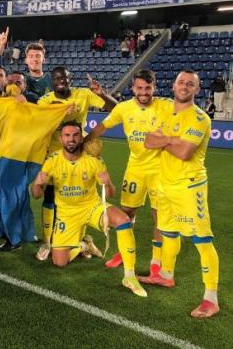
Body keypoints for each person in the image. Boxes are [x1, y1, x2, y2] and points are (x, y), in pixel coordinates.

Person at [31, 121, 147, 297]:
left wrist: (108, 183)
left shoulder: (94, 161)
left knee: (123, 221)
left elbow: (110, 193)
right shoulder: (52, 161)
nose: (71, 139)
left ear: (81, 138)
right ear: (61, 138)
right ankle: (83, 245)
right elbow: (37, 195)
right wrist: (38, 184)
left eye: (76, 135)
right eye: (67, 135)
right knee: (59, 262)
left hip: (92, 207)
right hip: (67, 213)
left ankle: (129, 276)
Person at [141, 71, 220, 318]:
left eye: (190, 84)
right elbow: (147, 141)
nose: (185, 86)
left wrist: (165, 140)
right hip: (165, 184)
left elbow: (185, 152)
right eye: (181, 82)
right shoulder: (164, 111)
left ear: (197, 89)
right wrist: (171, 140)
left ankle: (211, 298)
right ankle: (166, 275)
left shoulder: (200, 118)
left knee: (202, 240)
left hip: (189, 186)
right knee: (169, 232)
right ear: (174, 85)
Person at [86, 69, 173, 275]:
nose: (144, 92)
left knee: (159, 216)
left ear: (155, 87)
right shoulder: (124, 108)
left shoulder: (167, 106)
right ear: (133, 88)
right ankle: (124, 252)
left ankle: (156, 260)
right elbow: (103, 126)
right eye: (140, 88)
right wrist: (83, 142)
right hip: (135, 167)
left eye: (148, 88)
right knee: (126, 212)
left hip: (161, 169)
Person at [35, 67, 117, 261]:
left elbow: (116, 108)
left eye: (64, 77)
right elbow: (37, 120)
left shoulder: (84, 94)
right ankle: (48, 241)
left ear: (70, 78)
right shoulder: (46, 101)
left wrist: (102, 94)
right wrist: (59, 111)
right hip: (53, 155)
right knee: (49, 197)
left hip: (79, 153)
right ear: (51, 82)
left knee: (81, 196)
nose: (60, 80)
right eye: (56, 78)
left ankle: (81, 240)